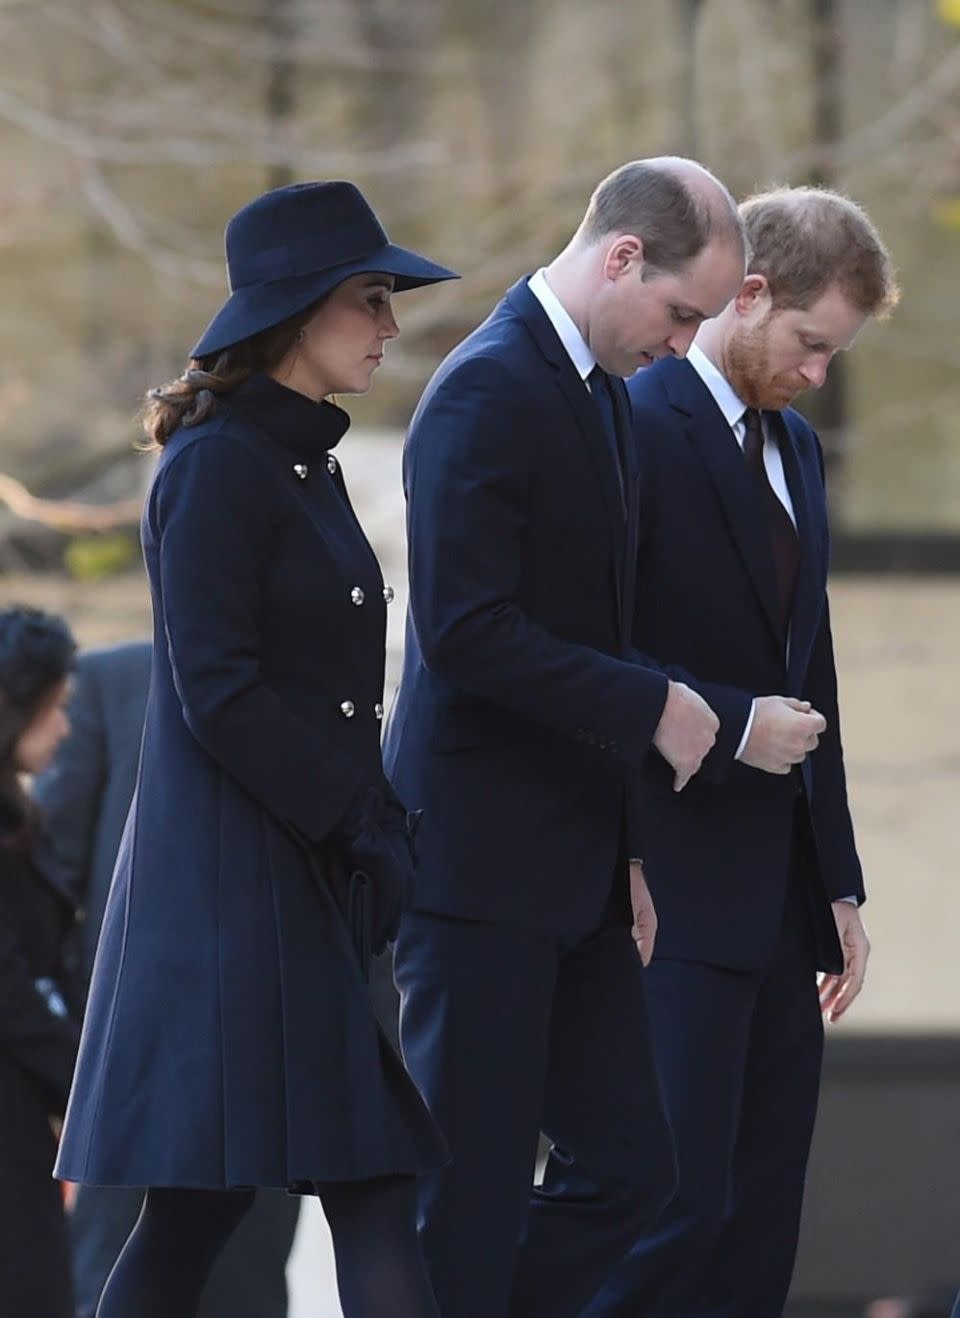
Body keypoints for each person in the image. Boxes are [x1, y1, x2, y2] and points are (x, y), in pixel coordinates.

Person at [54, 179, 458, 1318]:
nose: (389, 327)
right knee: (362, 1186)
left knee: (202, 1210)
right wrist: (362, 819)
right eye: (371, 300)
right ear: (297, 311)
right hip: (236, 893)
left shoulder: (297, 462)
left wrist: (365, 829)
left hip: (289, 881)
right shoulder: (216, 466)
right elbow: (219, 689)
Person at [383, 157, 747, 1318]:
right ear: (622, 255)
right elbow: (465, 630)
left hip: (580, 867)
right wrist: (655, 705)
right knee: (471, 1196)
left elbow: (591, 625)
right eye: (682, 313)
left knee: (634, 1170)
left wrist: (627, 850)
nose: (684, 345)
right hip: (477, 864)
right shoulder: (487, 385)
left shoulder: (596, 390)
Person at [583, 187, 898, 1317]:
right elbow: (600, 653)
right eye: (813, 344)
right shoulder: (631, 420)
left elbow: (809, 677)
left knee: (760, 1223)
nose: (818, 373)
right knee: (667, 1211)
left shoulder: (798, 451)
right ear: (748, 293)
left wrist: (841, 882)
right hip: (665, 885)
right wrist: (729, 732)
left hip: (777, 900)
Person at [33, 641, 300, 1318]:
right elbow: (51, 872)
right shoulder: (113, 679)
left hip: (266, 1056)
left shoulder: (315, 684)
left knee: (248, 1281)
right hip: (131, 1054)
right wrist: (59, 1051)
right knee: (114, 1271)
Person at [0, 605, 80, 1318]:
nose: (64, 727)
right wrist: (84, 1091)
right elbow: (13, 995)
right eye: (52, 708)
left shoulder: (20, 818)